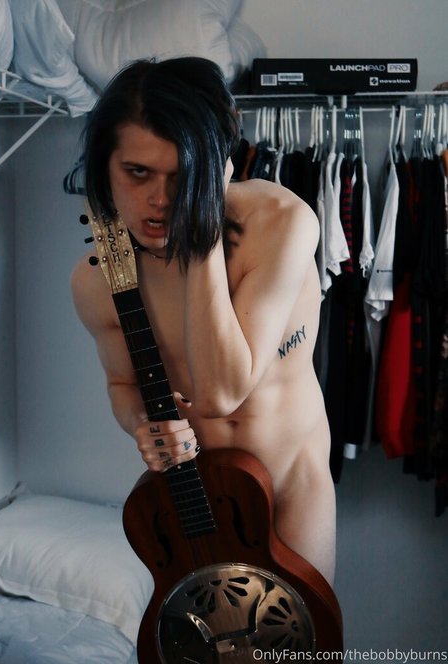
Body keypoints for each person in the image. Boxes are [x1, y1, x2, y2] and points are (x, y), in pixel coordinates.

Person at [71, 57, 336, 585]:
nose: (160, 200)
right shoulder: (97, 282)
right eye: (138, 172)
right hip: (193, 505)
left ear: (213, 169)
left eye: (181, 176)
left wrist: (202, 231)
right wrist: (141, 426)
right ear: (105, 168)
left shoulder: (280, 223)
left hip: (290, 489)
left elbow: (219, 393)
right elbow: (123, 384)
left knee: (303, 633)